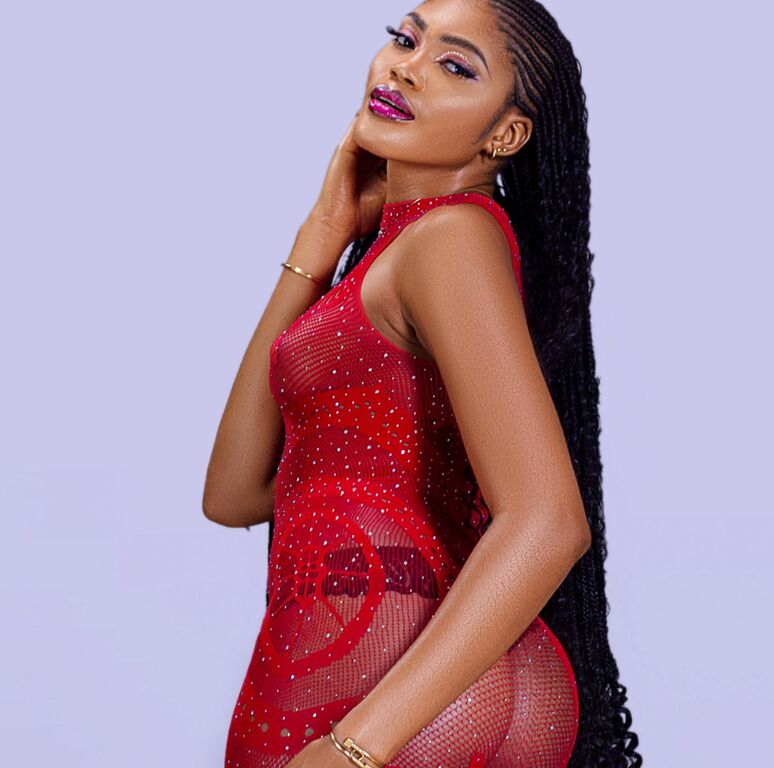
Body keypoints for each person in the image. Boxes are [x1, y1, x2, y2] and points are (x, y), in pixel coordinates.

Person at [203, 1, 642, 766]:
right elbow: (234, 494)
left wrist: (353, 749)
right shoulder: (402, 251)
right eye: (405, 39)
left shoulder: (450, 238)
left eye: (455, 65)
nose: (406, 67)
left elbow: (547, 521)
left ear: (506, 135)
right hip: (398, 669)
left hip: (392, 683)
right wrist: (320, 236)